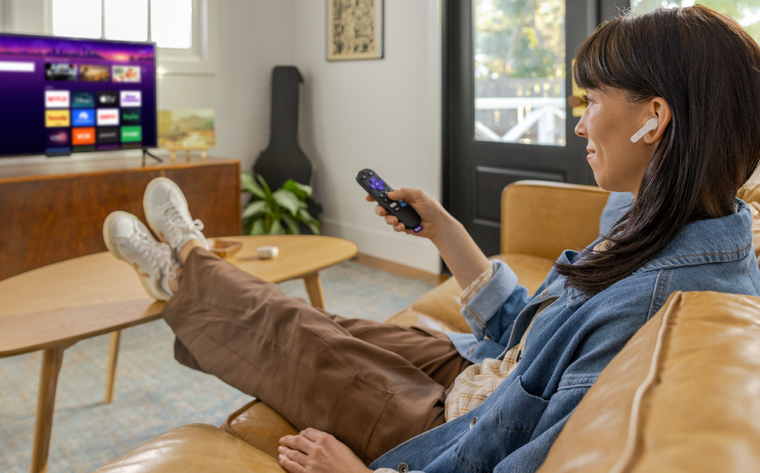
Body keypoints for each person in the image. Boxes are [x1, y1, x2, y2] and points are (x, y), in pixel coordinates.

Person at [101, 6, 760, 473]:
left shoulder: (655, 300)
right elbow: (525, 334)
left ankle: (184, 260)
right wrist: (442, 226)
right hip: (485, 370)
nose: (581, 122)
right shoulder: (660, 220)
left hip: (453, 426)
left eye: (592, 99)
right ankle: (188, 265)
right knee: (327, 322)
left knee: (285, 328)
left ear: (654, 119)